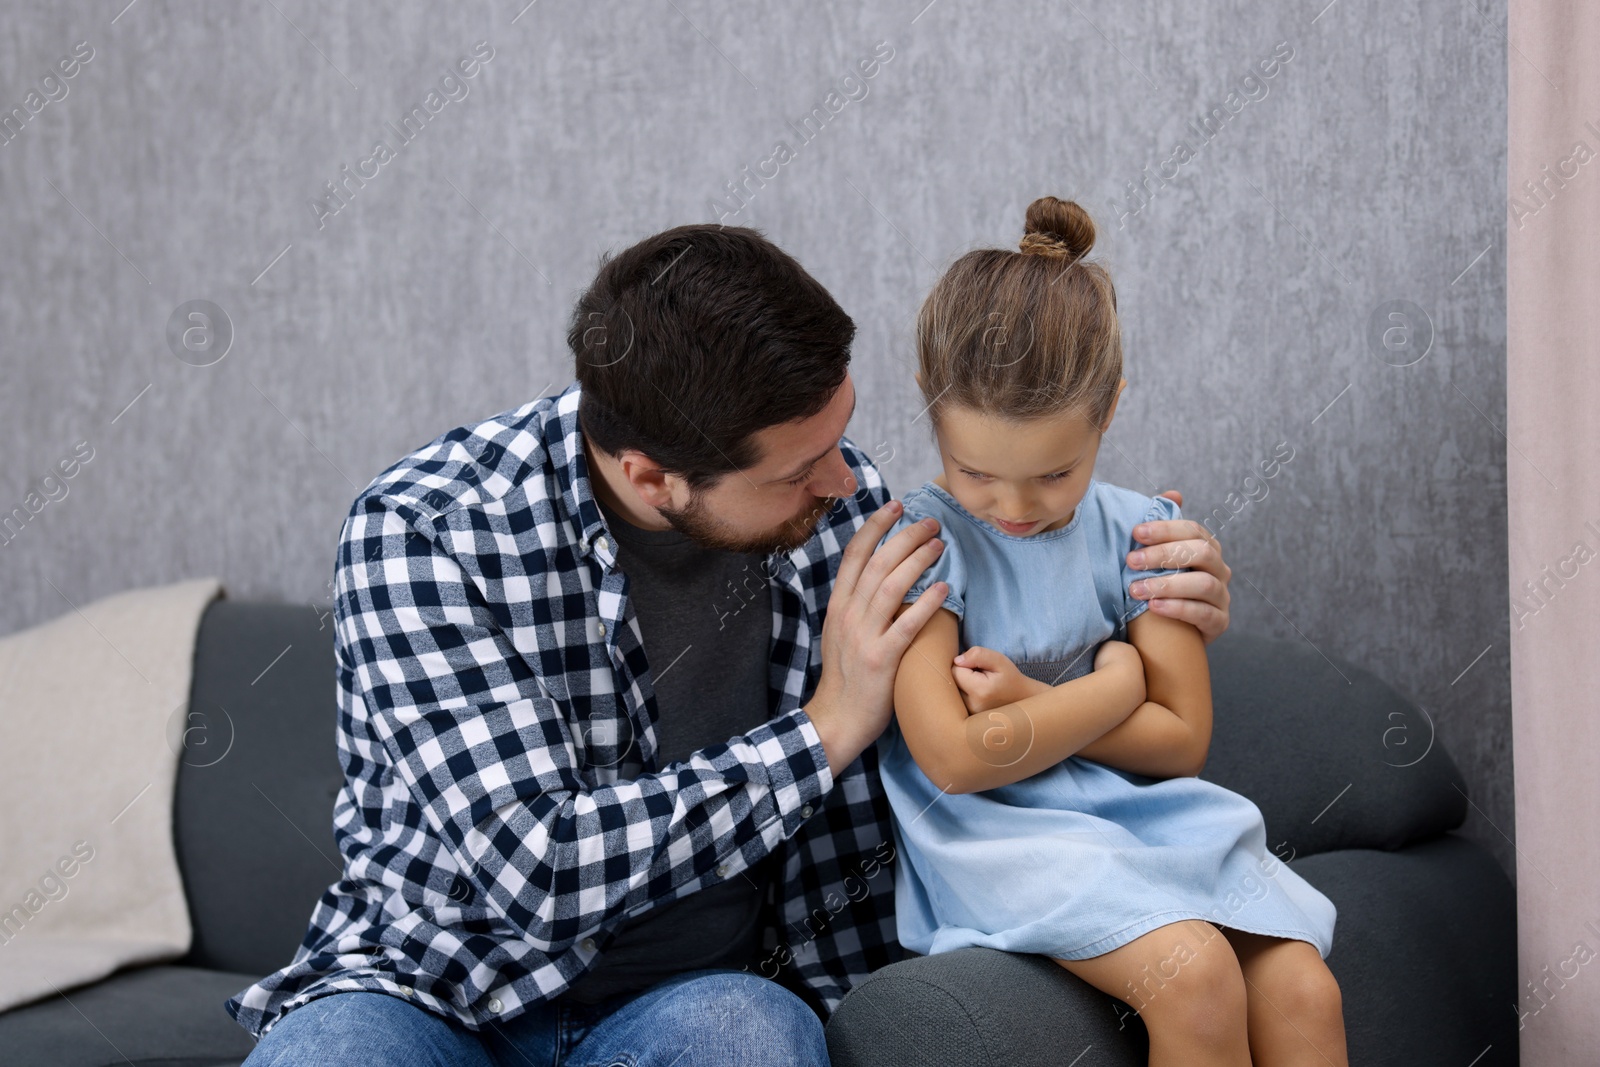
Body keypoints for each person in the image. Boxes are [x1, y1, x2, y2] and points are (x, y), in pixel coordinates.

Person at [225, 220, 1235, 1065]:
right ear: (653, 476)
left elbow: (1012, 620)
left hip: (692, 1004)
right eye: (801, 469)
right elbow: (539, 868)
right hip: (430, 990)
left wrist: (1160, 584)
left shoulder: (849, 517)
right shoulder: (429, 530)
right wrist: (826, 729)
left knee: (749, 1033)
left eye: (841, 433)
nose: (847, 481)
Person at [875, 196, 1344, 1067]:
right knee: (1195, 973)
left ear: (1111, 409)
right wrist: (1114, 684)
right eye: (974, 470)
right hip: (1000, 836)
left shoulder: (1144, 538)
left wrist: (1032, 705)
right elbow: (956, 757)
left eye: (1055, 473)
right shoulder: (927, 548)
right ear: (927, 408)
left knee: (1303, 986)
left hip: (1146, 818)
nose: (1012, 508)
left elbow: (1181, 743)